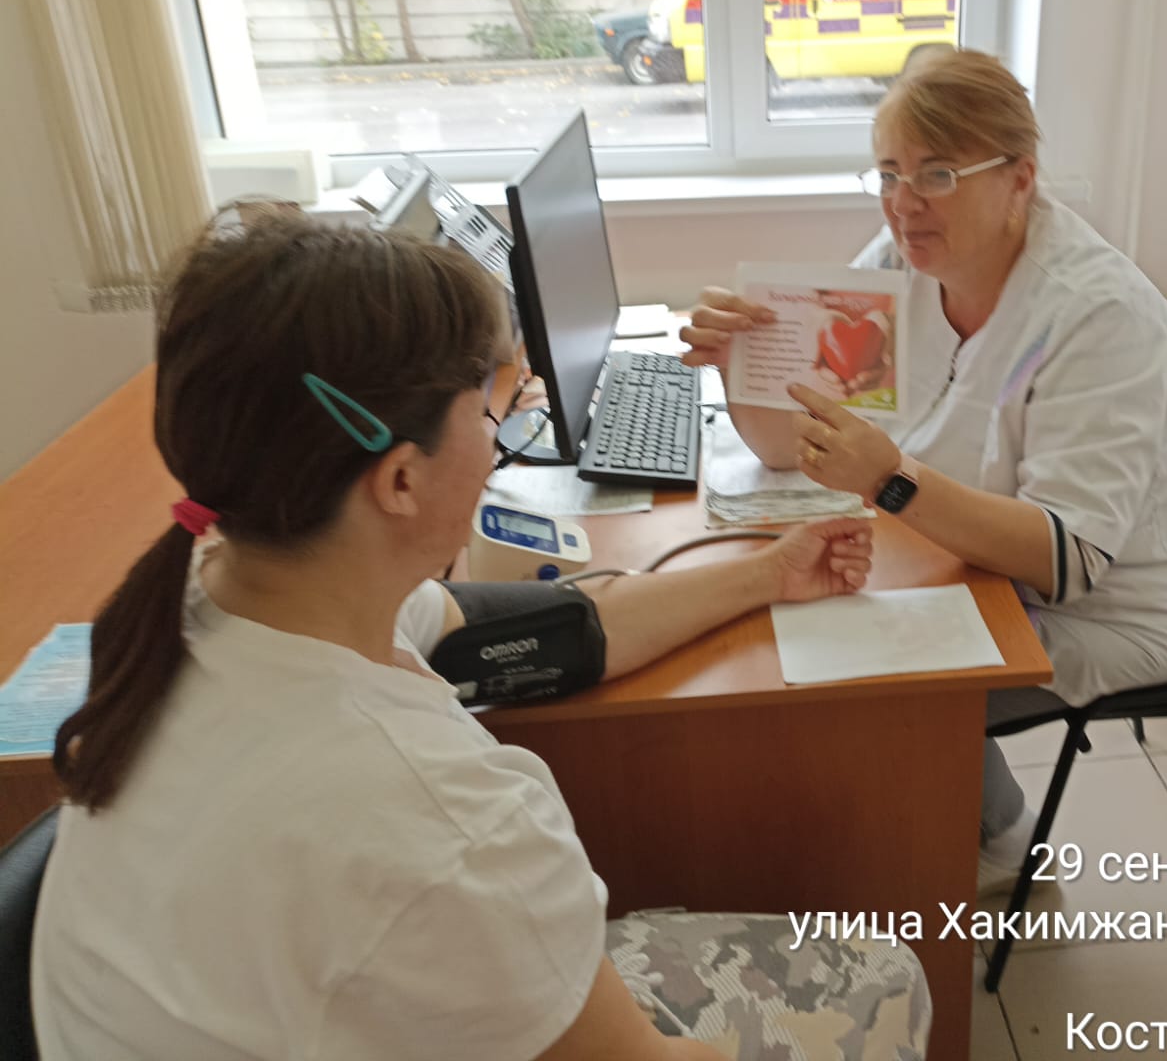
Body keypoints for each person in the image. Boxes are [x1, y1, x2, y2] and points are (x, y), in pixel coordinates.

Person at [30, 216, 929, 1060]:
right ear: (400, 481)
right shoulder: (445, 824)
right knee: (883, 976)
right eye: (484, 415)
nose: (495, 443)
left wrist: (766, 575)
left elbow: (558, 632)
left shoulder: (213, 592)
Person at [681, 49, 1167, 894]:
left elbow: (1067, 558)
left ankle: (987, 858)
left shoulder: (1099, 316)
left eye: (938, 174)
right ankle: (977, 835)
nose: (904, 203)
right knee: (789, 632)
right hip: (973, 557)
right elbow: (783, 449)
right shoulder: (903, 259)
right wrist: (742, 367)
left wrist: (891, 481)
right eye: (889, 174)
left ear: (1020, 179)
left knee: (846, 686)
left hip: (1130, 605)